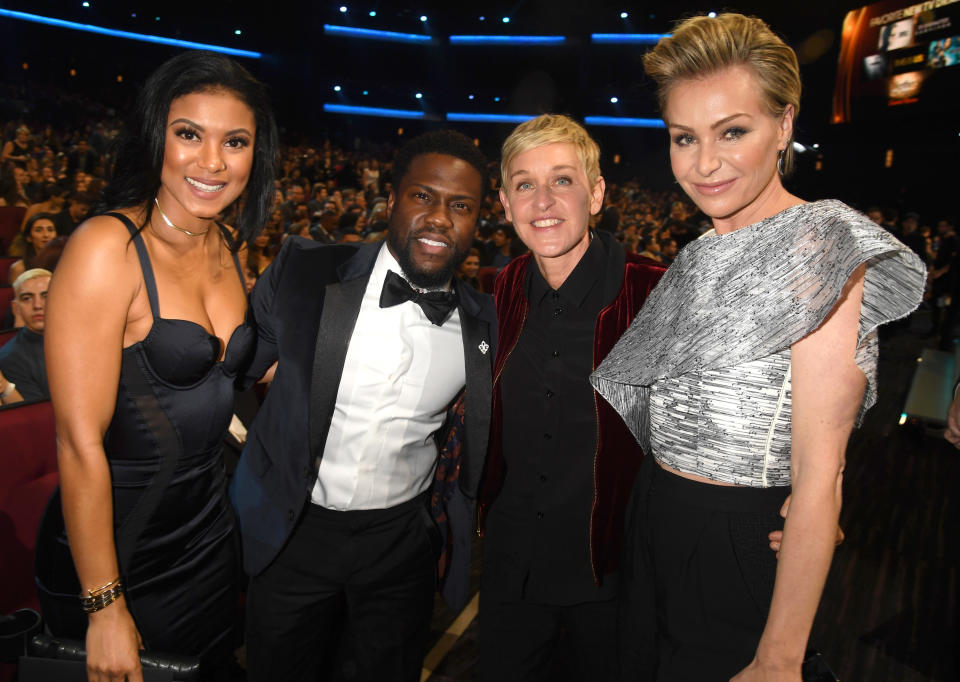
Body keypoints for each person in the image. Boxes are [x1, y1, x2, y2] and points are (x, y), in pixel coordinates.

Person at [589, 14, 926, 681]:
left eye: (732, 131)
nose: (704, 163)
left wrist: (779, 660)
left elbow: (820, 474)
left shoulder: (819, 245)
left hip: (736, 543)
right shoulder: (697, 253)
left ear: (784, 125)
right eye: (685, 138)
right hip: (656, 519)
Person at [35, 50, 278, 681]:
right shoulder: (105, 248)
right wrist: (104, 606)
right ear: (156, 138)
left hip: (207, 534)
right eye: (189, 134)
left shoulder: (224, 242)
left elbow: (242, 374)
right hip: (119, 549)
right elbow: (77, 441)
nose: (212, 162)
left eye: (236, 141)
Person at [231, 130, 496, 682]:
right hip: (292, 533)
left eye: (461, 206)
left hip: (400, 547)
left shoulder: (485, 325)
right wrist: (261, 459)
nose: (440, 218)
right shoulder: (306, 269)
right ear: (393, 196)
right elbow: (235, 372)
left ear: (479, 221)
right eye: (424, 196)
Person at [476, 114, 665, 682]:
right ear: (505, 204)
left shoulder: (653, 291)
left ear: (596, 193)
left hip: (611, 575)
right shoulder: (500, 290)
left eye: (562, 180)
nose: (543, 200)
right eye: (524, 184)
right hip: (513, 570)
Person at [0, 268, 51, 403]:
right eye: (27, 298)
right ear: (16, 308)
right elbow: (40, 415)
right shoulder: (10, 357)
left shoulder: (85, 339)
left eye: (46, 296)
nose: (37, 305)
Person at [7, 212, 57, 284]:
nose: (46, 235)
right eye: (38, 230)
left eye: (50, 230)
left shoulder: (64, 264)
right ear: (29, 237)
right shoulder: (19, 268)